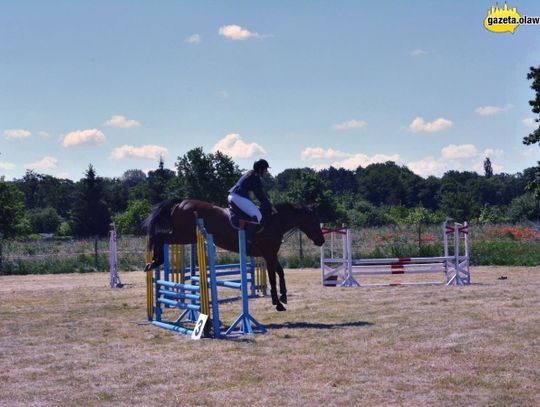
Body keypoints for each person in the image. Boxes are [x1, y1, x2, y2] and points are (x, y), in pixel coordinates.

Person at [228, 159, 277, 242]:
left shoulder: (251, 174)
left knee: (256, 211)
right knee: (258, 216)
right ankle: (247, 238)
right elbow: (260, 194)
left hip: (234, 196)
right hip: (237, 197)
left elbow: (260, 194)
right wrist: (270, 206)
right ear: (260, 169)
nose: (267, 171)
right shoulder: (255, 177)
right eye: (265, 169)